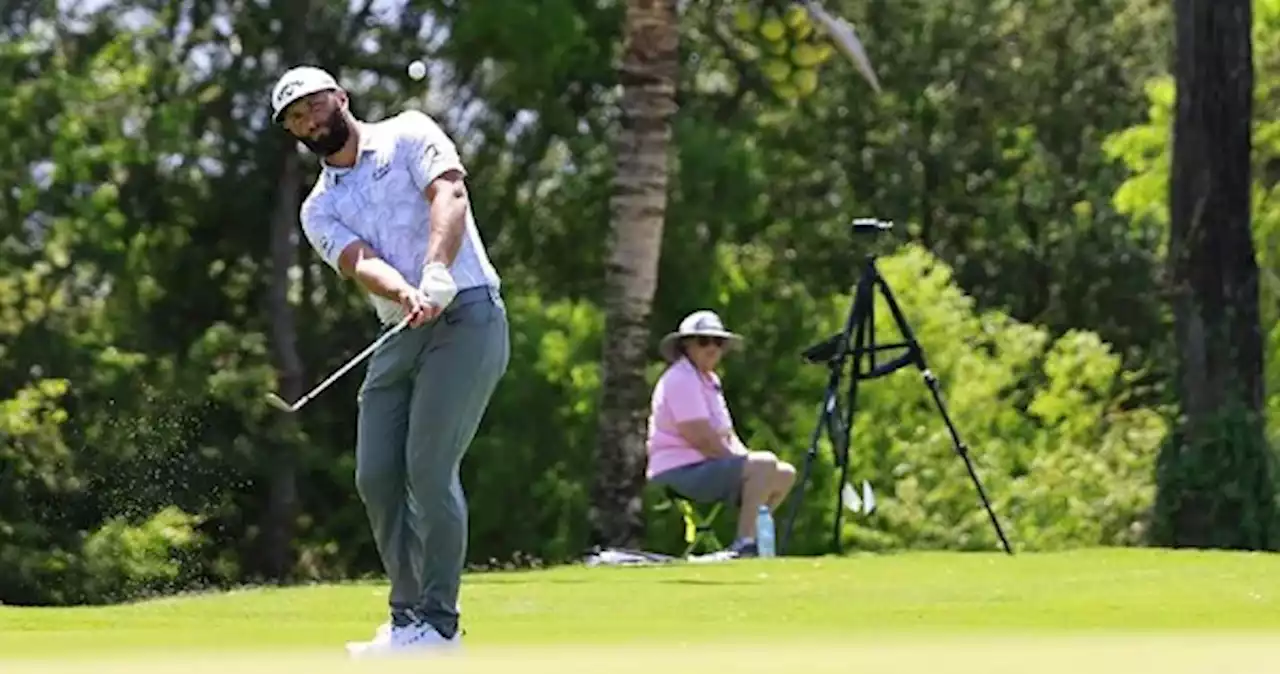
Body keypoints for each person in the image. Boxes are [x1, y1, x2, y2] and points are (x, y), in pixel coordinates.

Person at [269, 65, 510, 656]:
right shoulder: (318, 207)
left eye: (313, 105)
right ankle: (408, 621)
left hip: (468, 316)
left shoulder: (407, 132)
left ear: (341, 98)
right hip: (401, 325)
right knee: (376, 474)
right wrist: (404, 291)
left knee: (428, 470)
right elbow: (357, 259)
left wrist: (436, 271)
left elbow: (448, 193)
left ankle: (440, 624)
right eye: (295, 118)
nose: (308, 120)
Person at [645, 310, 797, 557]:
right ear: (687, 345)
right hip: (679, 471)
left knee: (784, 474)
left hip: (705, 467)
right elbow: (700, 437)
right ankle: (744, 544)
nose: (712, 348)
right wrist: (745, 465)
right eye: (704, 341)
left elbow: (725, 434)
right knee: (764, 464)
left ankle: (755, 537)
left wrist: (747, 461)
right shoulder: (681, 379)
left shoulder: (709, 380)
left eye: (718, 342)